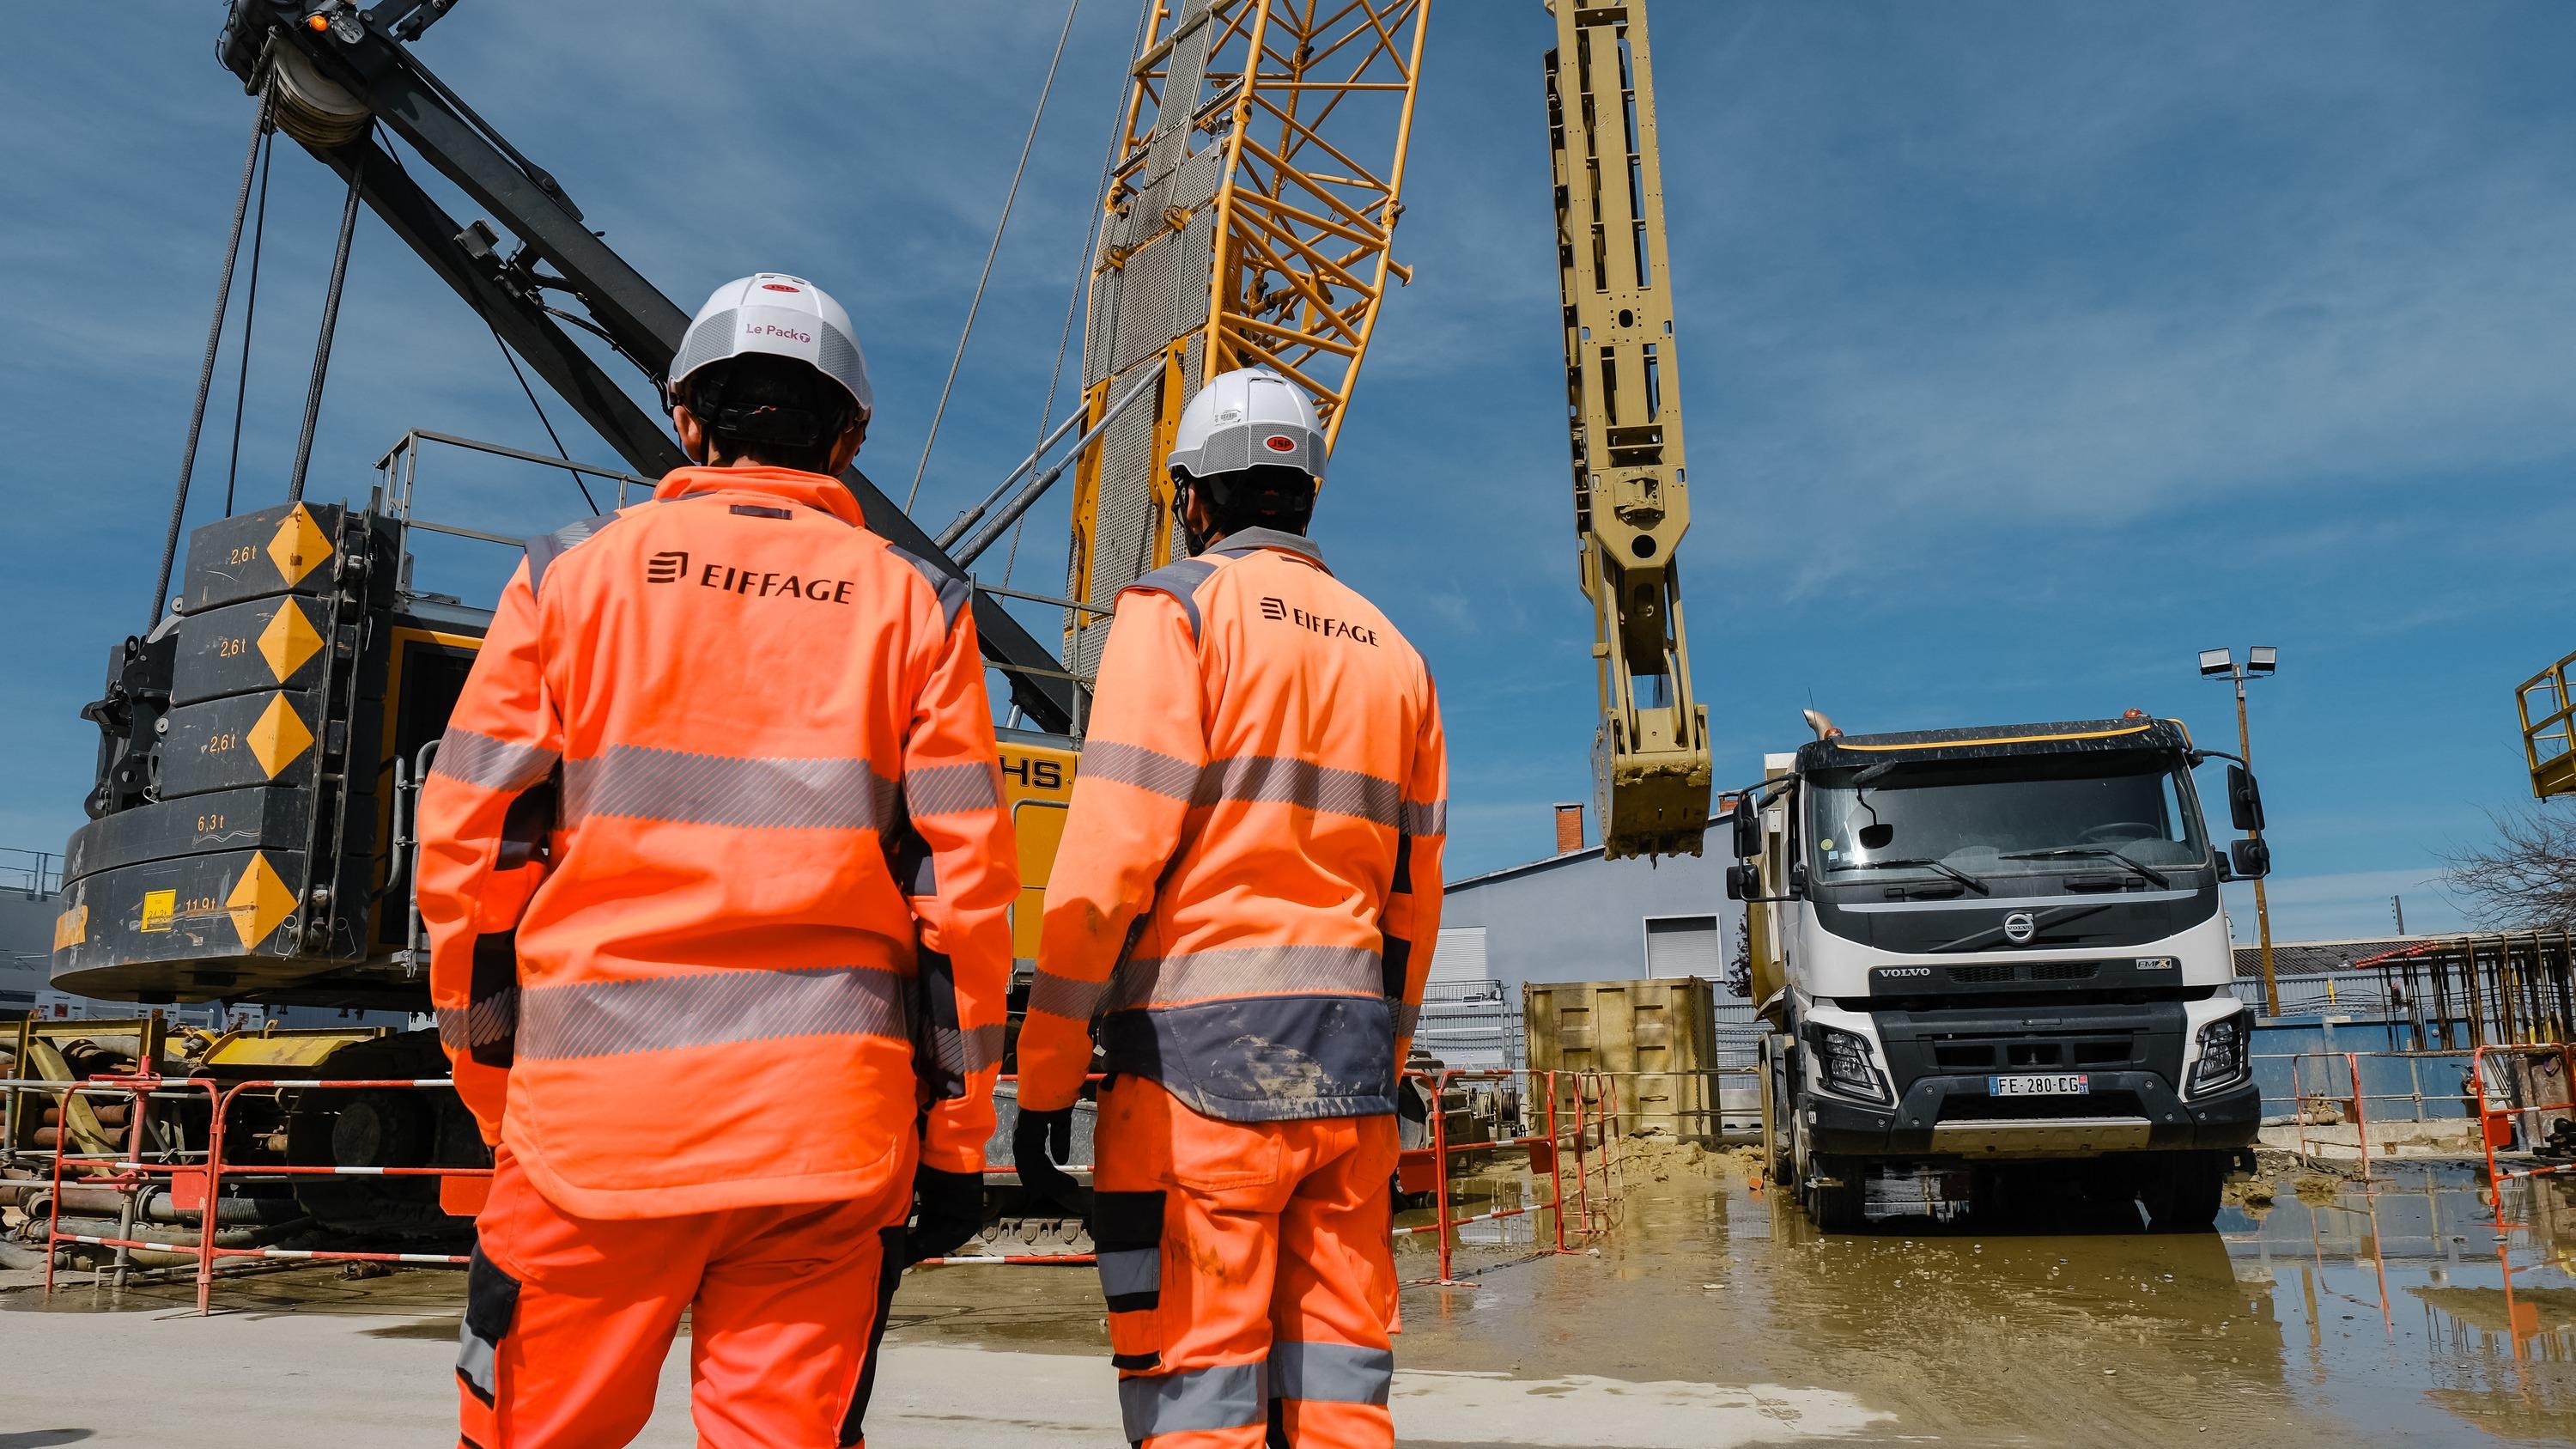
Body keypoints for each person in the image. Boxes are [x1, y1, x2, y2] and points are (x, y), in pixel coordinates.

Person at [418, 272, 1016, 1448]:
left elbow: (470, 854)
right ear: (848, 440)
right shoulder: (919, 604)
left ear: (687, 415)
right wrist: (954, 1137)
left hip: (589, 1124)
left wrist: (497, 1087)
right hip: (826, 1134)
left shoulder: (565, 575)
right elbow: (964, 894)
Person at [1012, 366, 1449, 1449]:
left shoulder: (1177, 612)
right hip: (1349, 1079)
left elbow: (1107, 868)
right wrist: (1382, 1059)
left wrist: (1049, 1074)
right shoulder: (1398, 656)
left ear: (1194, 496)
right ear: (1304, 493)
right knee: (1341, 1389)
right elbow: (1412, 904)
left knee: (1201, 1398)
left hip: (1196, 1084)